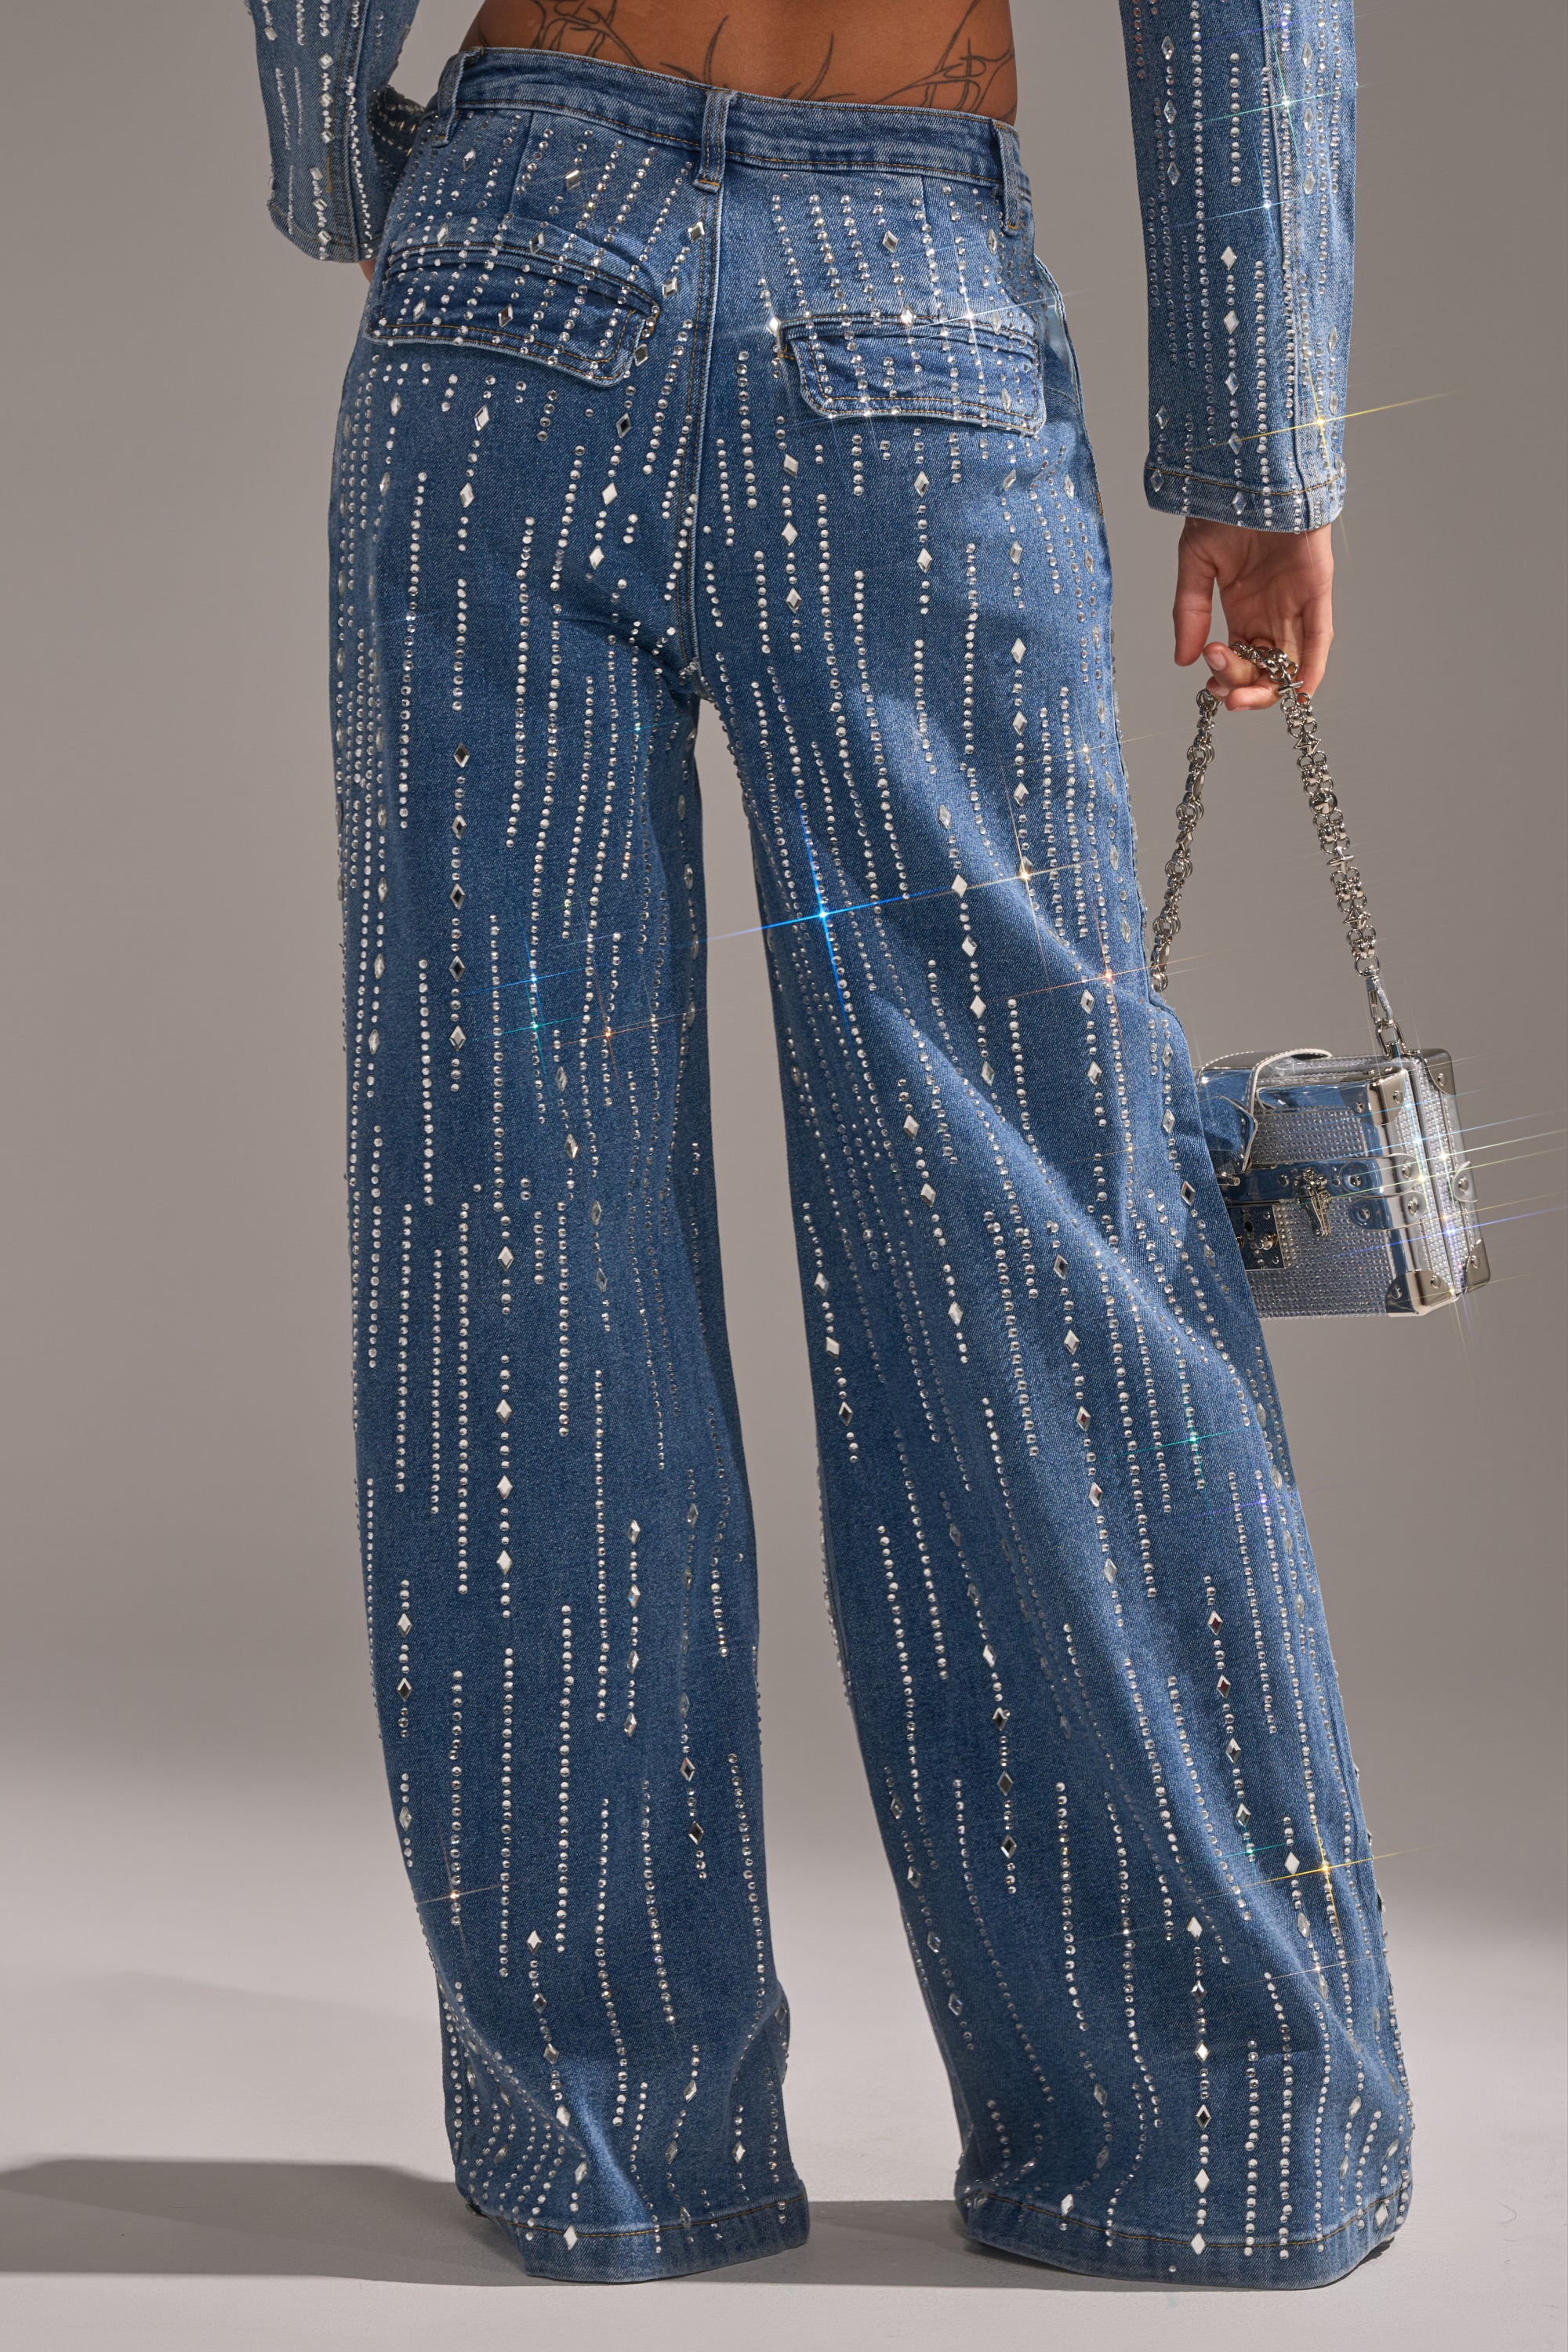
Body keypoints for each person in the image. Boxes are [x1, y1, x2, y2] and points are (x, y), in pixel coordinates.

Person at [241, 0, 1406, 2286]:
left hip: (511, 275)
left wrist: (330, 159)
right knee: (1042, 1240)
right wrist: (1260, 438)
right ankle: (1207, 2145)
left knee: (513, 1243)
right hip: (903, 294)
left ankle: (613, 2144)